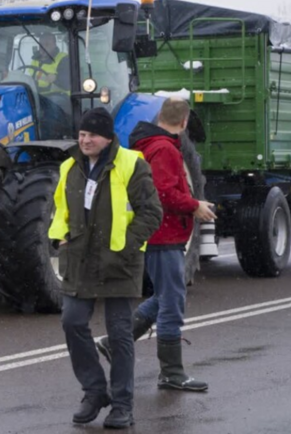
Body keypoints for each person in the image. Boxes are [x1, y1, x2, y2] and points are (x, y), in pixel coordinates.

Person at [49, 107, 162, 429]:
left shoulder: (131, 163)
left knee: (120, 334)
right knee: (72, 321)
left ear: (108, 138)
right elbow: (60, 209)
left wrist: (126, 245)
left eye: (92, 135)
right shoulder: (69, 166)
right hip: (80, 260)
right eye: (82, 134)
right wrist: (61, 239)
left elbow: (151, 212)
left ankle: (122, 405)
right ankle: (95, 392)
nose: (85, 140)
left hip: (119, 262)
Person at [97, 97, 215, 392]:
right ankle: (171, 373)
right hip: (164, 235)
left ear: (160, 115)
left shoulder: (150, 144)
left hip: (159, 234)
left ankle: (115, 343)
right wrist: (194, 205)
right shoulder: (164, 149)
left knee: (166, 296)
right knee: (172, 303)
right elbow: (162, 193)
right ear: (184, 122)